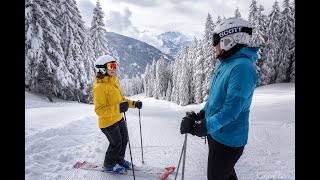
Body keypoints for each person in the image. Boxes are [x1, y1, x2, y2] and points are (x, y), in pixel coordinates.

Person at [180, 17, 259, 180]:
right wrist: (202, 115)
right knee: (225, 174)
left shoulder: (241, 68)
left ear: (230, 40)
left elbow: (230, 112)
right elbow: (215, 99)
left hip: (228, 141)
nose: (214, 45)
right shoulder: (225, 63)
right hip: (217, 133)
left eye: (216, 40)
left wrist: (203, 127)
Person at [92, 54, 143, 173]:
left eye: (115, 65)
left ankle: (119, 159)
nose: (114, 68)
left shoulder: (113, 82)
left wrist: (134, 104)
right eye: (111, 66)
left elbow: (121, 100)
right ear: (102, 69)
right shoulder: (100, 87)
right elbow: (99, 110)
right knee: (116, 143)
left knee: (124, 140)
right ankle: (108, 165)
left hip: (118, 118)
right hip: (107, 123)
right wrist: (118, 108)